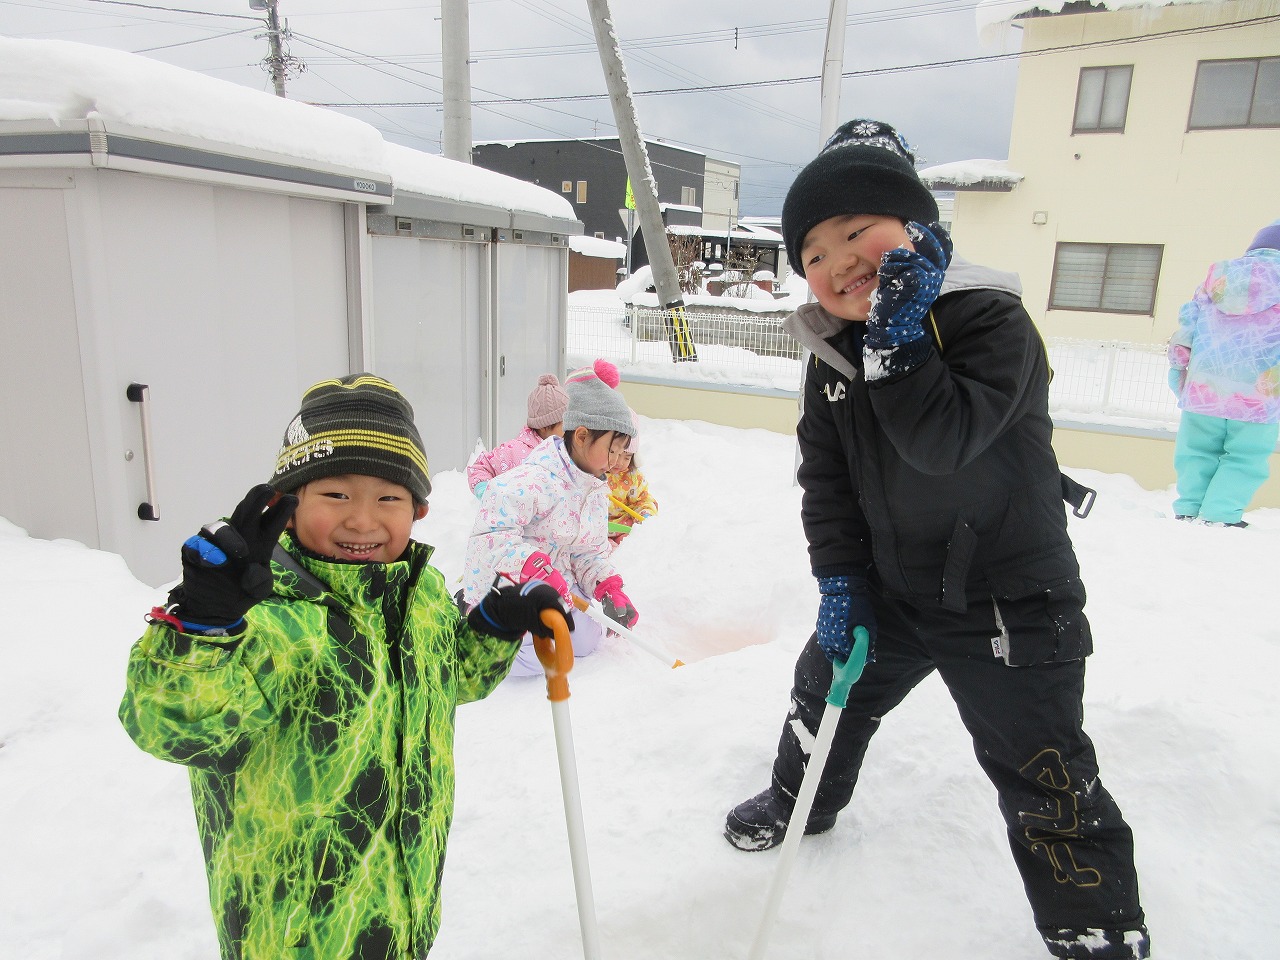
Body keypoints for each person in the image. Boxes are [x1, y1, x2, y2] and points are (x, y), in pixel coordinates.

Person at [723, 120, 1149, 960]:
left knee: (1043, 767)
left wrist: (901, 338)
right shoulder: (832, 358)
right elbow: (829, 483)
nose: (838, 261)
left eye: (857, 232)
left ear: (919, 233)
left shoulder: (990, 322)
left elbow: (943, 442)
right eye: (812, 252)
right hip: (895, 586)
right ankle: (800, 799)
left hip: (1007, 600)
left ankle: (1093, 922)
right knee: (828, 691)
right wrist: (841, 582)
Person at [119, 373, 567, 960]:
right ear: (287, 503)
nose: (362, 520)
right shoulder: (260, 617)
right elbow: (172, 726)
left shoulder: (419, 594)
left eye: (388, 498)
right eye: (335, 494)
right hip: (292, 935)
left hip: (400, 908)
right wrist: (203, 626)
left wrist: (494, 623)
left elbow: (445, 677)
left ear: (419, 509)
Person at [462, 358, 640, 678]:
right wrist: (534, 568)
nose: (616, 463)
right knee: (515, 657)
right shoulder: (533, 479)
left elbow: (587, 552)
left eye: (622, 454)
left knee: (585, 640)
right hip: (510, 586)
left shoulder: (594, 488)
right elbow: (490, 537)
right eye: (612, 451)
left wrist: (607, 588)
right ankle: (469, 614)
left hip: (558, 586)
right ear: (582, 436)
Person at [1167, 220, 1280, 528]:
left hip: (1204, 390)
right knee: (1245, 457)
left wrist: (1179, 372)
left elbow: (1185, 332)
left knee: (1196, 450)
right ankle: (1221, 515)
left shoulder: (1215, 280)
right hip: (1260, 397)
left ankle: (1188, 508)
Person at [467, 373, 569, 498]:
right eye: (565, 424)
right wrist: (486, 492)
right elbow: (480, 467)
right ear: (545, 425)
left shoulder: (569, 451)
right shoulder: (514, 451)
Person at [606, 426, 658, 549]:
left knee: (631, 540)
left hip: (622, 525)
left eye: (627, 457)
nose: (619, 462)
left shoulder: (632, 477)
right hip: (596, 526)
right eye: (615, 454)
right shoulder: (594, 473)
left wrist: (645, 513)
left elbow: (643, 500)